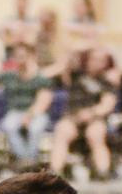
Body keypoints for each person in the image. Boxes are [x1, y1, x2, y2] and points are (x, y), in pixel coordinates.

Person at [48, 48, 117, 180]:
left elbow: (107, 104)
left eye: (101, 60)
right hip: (73, 117)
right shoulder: (75, 76)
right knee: (62, 130)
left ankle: (103, 172)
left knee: (95, 134)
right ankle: (55, 173)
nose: (96, 63)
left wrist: (91, 113)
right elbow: (66, 59)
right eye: (94, 59)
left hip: (95, 119)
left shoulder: (107, 83)